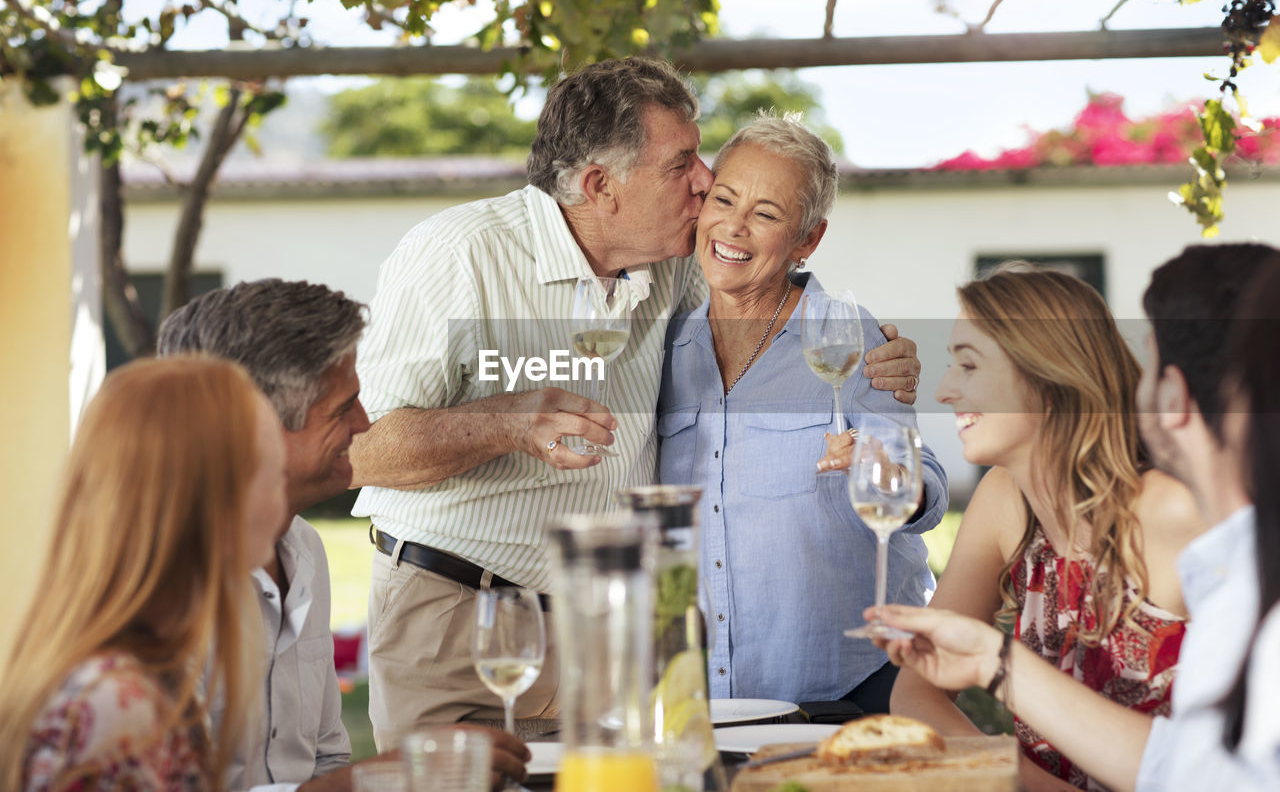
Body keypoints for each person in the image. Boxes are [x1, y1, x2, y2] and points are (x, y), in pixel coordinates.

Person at [349, 56, 925, 747]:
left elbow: (765, 287)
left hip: (609, 635)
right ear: (600, 185)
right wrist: (506, 421)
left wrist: (876, 351)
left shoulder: (671, 266)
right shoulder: (459, 254)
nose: (706, 182)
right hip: (460, 622)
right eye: (682, 163)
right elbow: (361, 449)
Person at [867, 243, 1280, 792]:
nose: (944, 390)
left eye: (969, 364)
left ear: (1048, 377)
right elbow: (915, 693)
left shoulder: (1176, 515)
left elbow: (1219, 771)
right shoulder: (1004, 499)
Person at [158, 279, 530, 791]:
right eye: (342, 409)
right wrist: (403, 770)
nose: (365, 423)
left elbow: (326, 759)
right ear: (255, 427)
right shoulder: (158, 589)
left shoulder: (302, 549)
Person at [654, 114, 946, 713]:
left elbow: (928, 490)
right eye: (724, 199)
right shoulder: (664, 346)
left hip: (849, 684)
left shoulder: (848, 339)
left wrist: (885, 473)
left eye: (766, 214)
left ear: (807, 239)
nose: (733, 226)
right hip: (709, 692)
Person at [0, 356, 288, 790]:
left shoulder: (143, 677)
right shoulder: (115, 709)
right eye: (277, 477)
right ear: (214, 508)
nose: (284, 501)